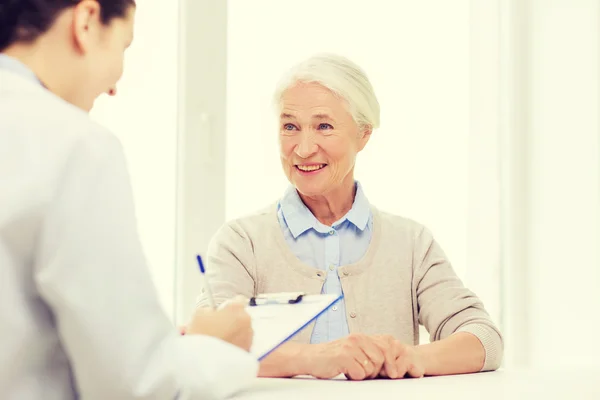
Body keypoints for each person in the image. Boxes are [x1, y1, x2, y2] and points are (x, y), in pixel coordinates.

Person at [0, 1, 256, 398]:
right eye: (124, 45)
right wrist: (212, 346)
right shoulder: (72, 144)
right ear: (86, 21)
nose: (115, 85)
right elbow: (138, 385)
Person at [196, 53, 503, 380]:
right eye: (290, 126)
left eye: (324, 126)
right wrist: (310, 358)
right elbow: (207, 347)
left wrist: (411, 357)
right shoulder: (242, 242)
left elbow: (483, 338)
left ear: (363, 134)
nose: (303, 148)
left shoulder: (411, 243)